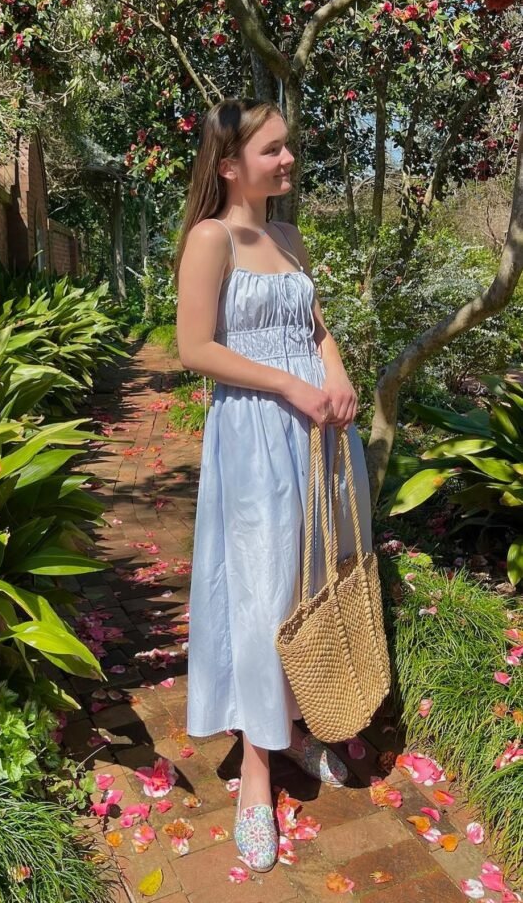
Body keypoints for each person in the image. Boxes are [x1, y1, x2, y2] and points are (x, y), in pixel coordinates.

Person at [174, 97, 374, 873]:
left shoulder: (286, 236)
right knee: (260, 594)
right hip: (256, 439)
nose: (288, 160)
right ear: (230, 163)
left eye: (289, 148)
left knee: (308, 585)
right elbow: (195, 348)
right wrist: (289, 388)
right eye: (273, 151)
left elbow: (313, 326)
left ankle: (298, 724)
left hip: (320, 436)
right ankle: (255, 772)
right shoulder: (211, 237)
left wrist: (336, 375)